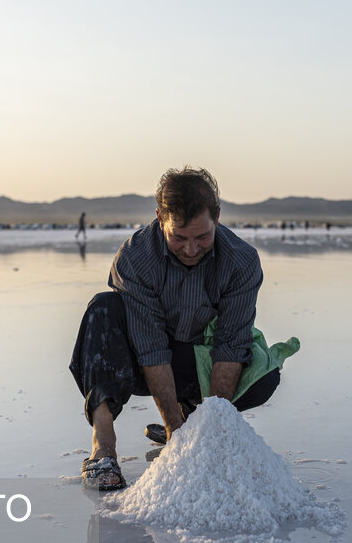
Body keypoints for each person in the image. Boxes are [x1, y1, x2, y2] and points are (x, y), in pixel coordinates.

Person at [69, 167, 295, 490]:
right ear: (160, 218)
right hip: (142, 360)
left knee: (265, 377)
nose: (191, 249)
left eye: (202, 237)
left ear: (217, 216)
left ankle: (194, 419)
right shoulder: (135, 259)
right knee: (102, 310)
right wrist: (176, 437)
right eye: (179, 237)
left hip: (200, 361)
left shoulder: (241, 263)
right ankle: (103, 445)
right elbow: (151, 350)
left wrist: (205, 436)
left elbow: (230, 348)